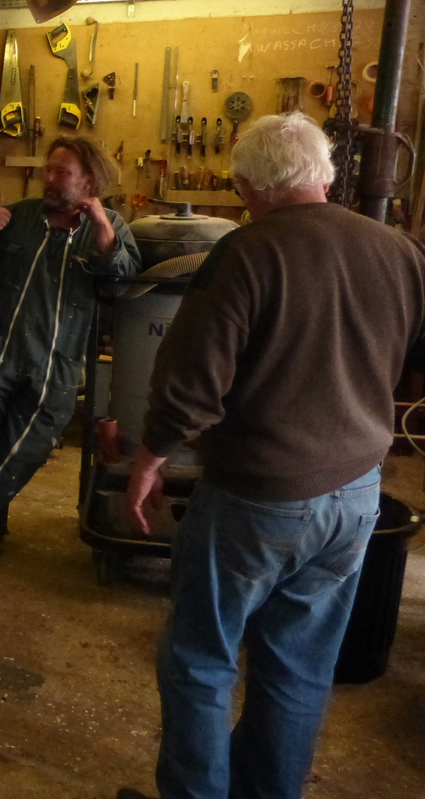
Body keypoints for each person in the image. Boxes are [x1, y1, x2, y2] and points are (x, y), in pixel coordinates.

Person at [120, 113, 425, 799]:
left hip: (258, 497)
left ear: (249, 185)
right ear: (325, 174)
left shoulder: (246, 252)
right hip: (357, 495)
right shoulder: (399, 250)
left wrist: (149, 458)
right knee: (298, 667)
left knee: (200, 657)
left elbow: (191, 383)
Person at [0, 136, 141, 560]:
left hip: (55, 361)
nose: (49, 179)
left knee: (27, 445)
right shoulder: (17, 216)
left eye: (62, 172)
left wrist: (102, 230)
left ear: (89, 181)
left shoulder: (109, 226)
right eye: (47, 170)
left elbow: (123, 281)